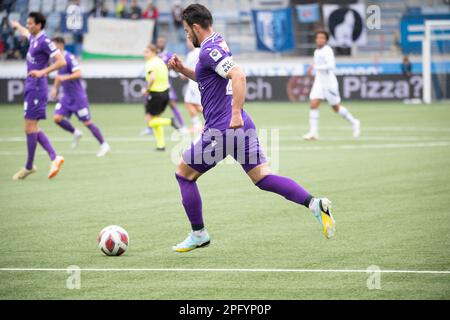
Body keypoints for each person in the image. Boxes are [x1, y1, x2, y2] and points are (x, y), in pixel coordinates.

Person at [168, 4, 335, 252]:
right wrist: (183, 70)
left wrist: (234, 112)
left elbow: (239, 76)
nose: (186, 36)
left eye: (185, 31)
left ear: (194, 27)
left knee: (184, 175)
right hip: (242, 125)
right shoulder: (218, 43)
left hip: (223, 128)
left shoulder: (208, 51)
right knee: (262, 177)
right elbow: (211, 78)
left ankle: (199, 233)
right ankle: (314, 203)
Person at [10, 12, 66, 180]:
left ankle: (31, 165)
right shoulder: (34, 38)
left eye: (31, 23)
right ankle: (51, 159)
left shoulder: (44, 41)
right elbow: (25, 33)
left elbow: (61, 61)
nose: (28, 26)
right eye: (27, 23)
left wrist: (43, 71)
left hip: (37, 87)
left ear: (39, 25)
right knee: (30, 128)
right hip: (31, 86)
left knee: (30, 128)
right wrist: (17, 25)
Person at [51, 37, 110, 157]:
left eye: (53, 45)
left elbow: (78, 73)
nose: (51, 48)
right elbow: (58, 75)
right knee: (57, 118)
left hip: (78, 97)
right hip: (66, 97)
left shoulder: (69, 57)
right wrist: (55, 88)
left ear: (60, 45)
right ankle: (75, 132)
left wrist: (64, 78)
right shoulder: (55, 59)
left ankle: (104, 145)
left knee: (87, 122)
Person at [303, 30, 360, 140]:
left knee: (336, 108)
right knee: (313, 104)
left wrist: (315, 67)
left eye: (322, 38)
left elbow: (331, 66)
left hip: (329, 83)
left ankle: (354, 122)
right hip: (319, 82)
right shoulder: (316, 52)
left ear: (326, 40)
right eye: (318, 38)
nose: (320, 40)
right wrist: (313, 68)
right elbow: (318, 64)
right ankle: (313, 133)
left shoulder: (327, 51)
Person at [142, 44, 180, 151]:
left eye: (146, 52)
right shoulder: (160, 61)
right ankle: (161, 145)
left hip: (156, 94)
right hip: (165, 93)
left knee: (149, 121)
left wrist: (146, 89)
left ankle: (170, 121)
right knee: (156, 119)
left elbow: (152, 78)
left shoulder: (151, 63)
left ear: (153, 52)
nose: (144, 54)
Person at [154, 36, 187, 133]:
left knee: (172, 104)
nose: (160, 43)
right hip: (155, 84)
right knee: (154, 106)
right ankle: (151, 128)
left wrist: (180, 73)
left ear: (164, 43)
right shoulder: (154, 55)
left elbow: (174, 66)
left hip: (165, 83)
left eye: (162, 42)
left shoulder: (168, 55)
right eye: (158, 41)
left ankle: (183, 125)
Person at [181, 38, 203, 133]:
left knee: (189, 103)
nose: (187, 43)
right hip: (200, 81)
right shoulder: (202, 51)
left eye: (188, 41)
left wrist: (178, 69)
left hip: (194, 83)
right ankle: (214, 120)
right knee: (195, 105)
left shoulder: (192, 54)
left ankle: (198, 125)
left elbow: (184, 74)